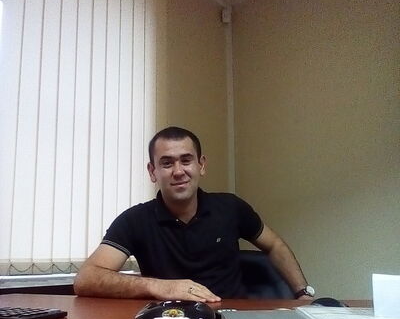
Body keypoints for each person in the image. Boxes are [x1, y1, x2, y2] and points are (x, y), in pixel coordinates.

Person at [74, 126, 314, 302]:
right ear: (152, 171)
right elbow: (86, 279)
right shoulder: (134, 220)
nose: (178, 171)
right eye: (167, 163)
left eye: (186, 160)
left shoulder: (231, 207)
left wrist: (302, 292)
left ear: (201, 165)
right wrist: (161, 287)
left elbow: (274, 245)